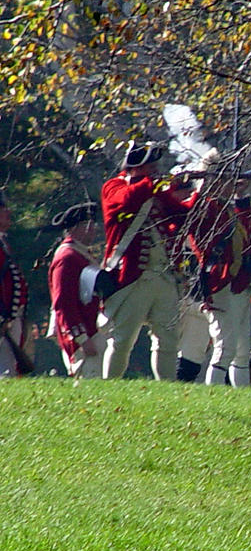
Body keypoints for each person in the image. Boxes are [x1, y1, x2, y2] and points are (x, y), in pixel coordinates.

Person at [100, 140, 200, 380]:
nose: (154, 170)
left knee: (168, 338)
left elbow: (183, 215)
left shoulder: (156, 191)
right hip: (133, 276)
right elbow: (124, 201)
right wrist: (154, 183)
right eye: (149, 166)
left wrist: (200, 190)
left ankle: (167, 389)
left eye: (155, 166)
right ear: (135, 167)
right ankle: (108, 386)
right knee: (123, 339)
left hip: (163, 275)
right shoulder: (114, 186)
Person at [185, 177, 251, 387]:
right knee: (225, 348)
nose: (231, 185)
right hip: (220, 284)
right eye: (227, 181)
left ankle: (243, 397)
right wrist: (204, 185)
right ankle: (213, 396)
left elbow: (246, 233)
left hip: (240, 283)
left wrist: (241, 198)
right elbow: (194, 216)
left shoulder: (226, 210)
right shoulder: (206, 208)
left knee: (243, 350)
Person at [46, 201, 109, 378]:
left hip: (92, 331)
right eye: (87, 225)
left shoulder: (80, 254)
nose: (93, 229)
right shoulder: (67, 257)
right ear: (75, 228)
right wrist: (81, 338)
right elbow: (63, 304)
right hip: (83, 337)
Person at [0, 193, 30, 377]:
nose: (8, 213)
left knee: (9, 366)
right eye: (3, 210)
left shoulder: (3, 243)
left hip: (9, 317)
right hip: (3, 318)